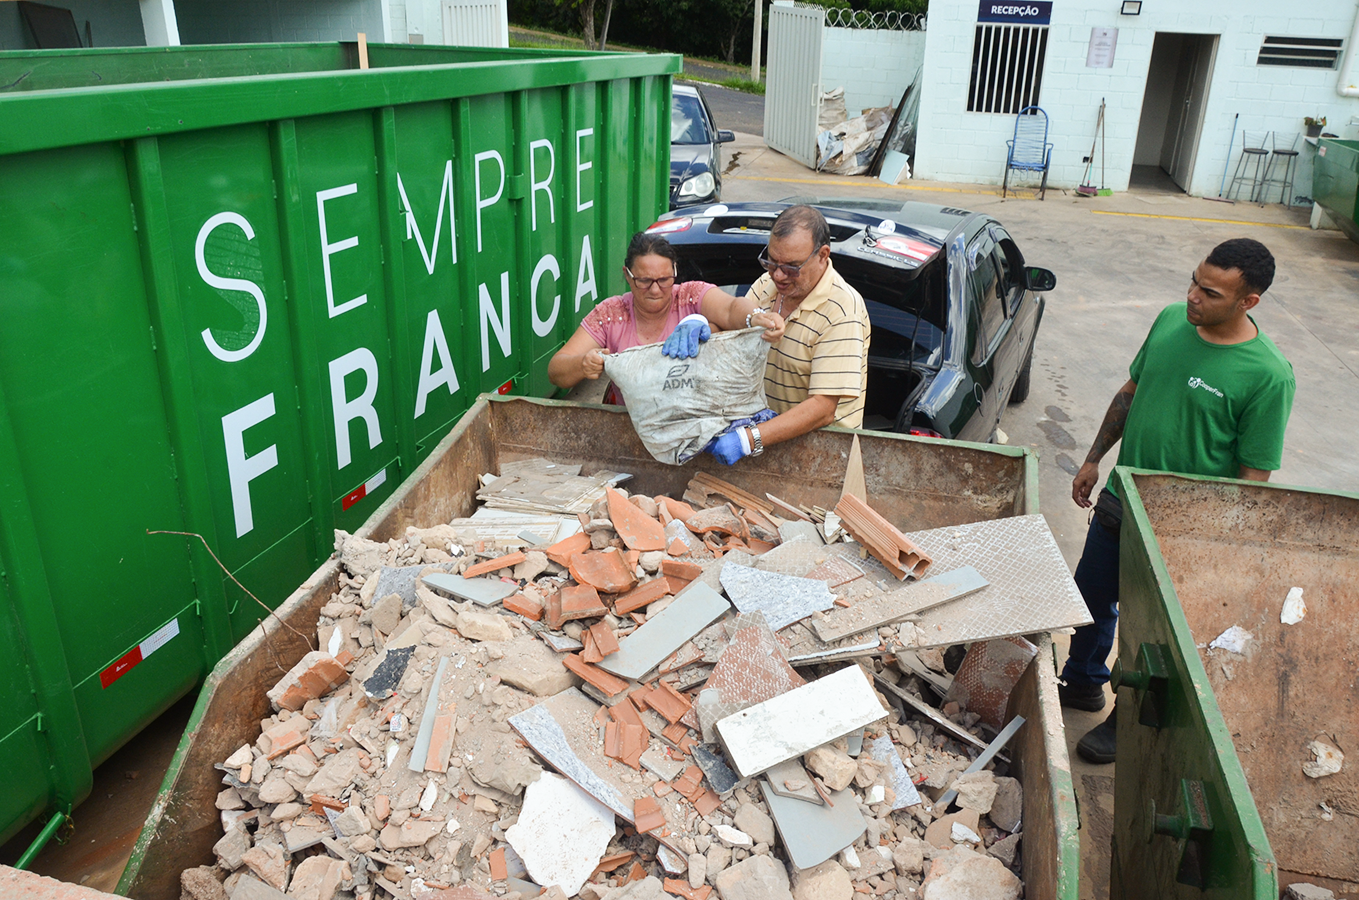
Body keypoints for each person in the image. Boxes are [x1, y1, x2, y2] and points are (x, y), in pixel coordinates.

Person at [1059, 237, 1295, 764]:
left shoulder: (1268, 375)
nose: (1192, 296)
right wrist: (1094, 459)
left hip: (1180, 529)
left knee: (1151, 633)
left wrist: (1218, 548)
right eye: (1193, 281)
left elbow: (1253, 478)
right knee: (1089, 601)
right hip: (1122, 499)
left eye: (1210, 293)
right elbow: (1131, 392)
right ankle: (1082, 682)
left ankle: (1126, 720)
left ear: (1248, 301)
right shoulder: (1170, 320)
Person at [706, 205, 871, 465]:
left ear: (822, 255)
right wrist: (706, 329)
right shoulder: (766, 285)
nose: (779, 275)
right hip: (768, 443)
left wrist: (748, 439)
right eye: (772, 262)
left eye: (792, 267)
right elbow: (734, 336)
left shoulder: (842, 311)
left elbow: (823, 409)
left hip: (819, 458)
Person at [548, 231, 784, 404]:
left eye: (664, 280)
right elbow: (556, 371)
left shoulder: (691, 297)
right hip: (632, 427)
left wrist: (755, 317)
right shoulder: (611, 314)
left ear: (675, 272)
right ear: (627, 276)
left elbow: (731, 308)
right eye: (644, 281)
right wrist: (583, 364)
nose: (655, 290)